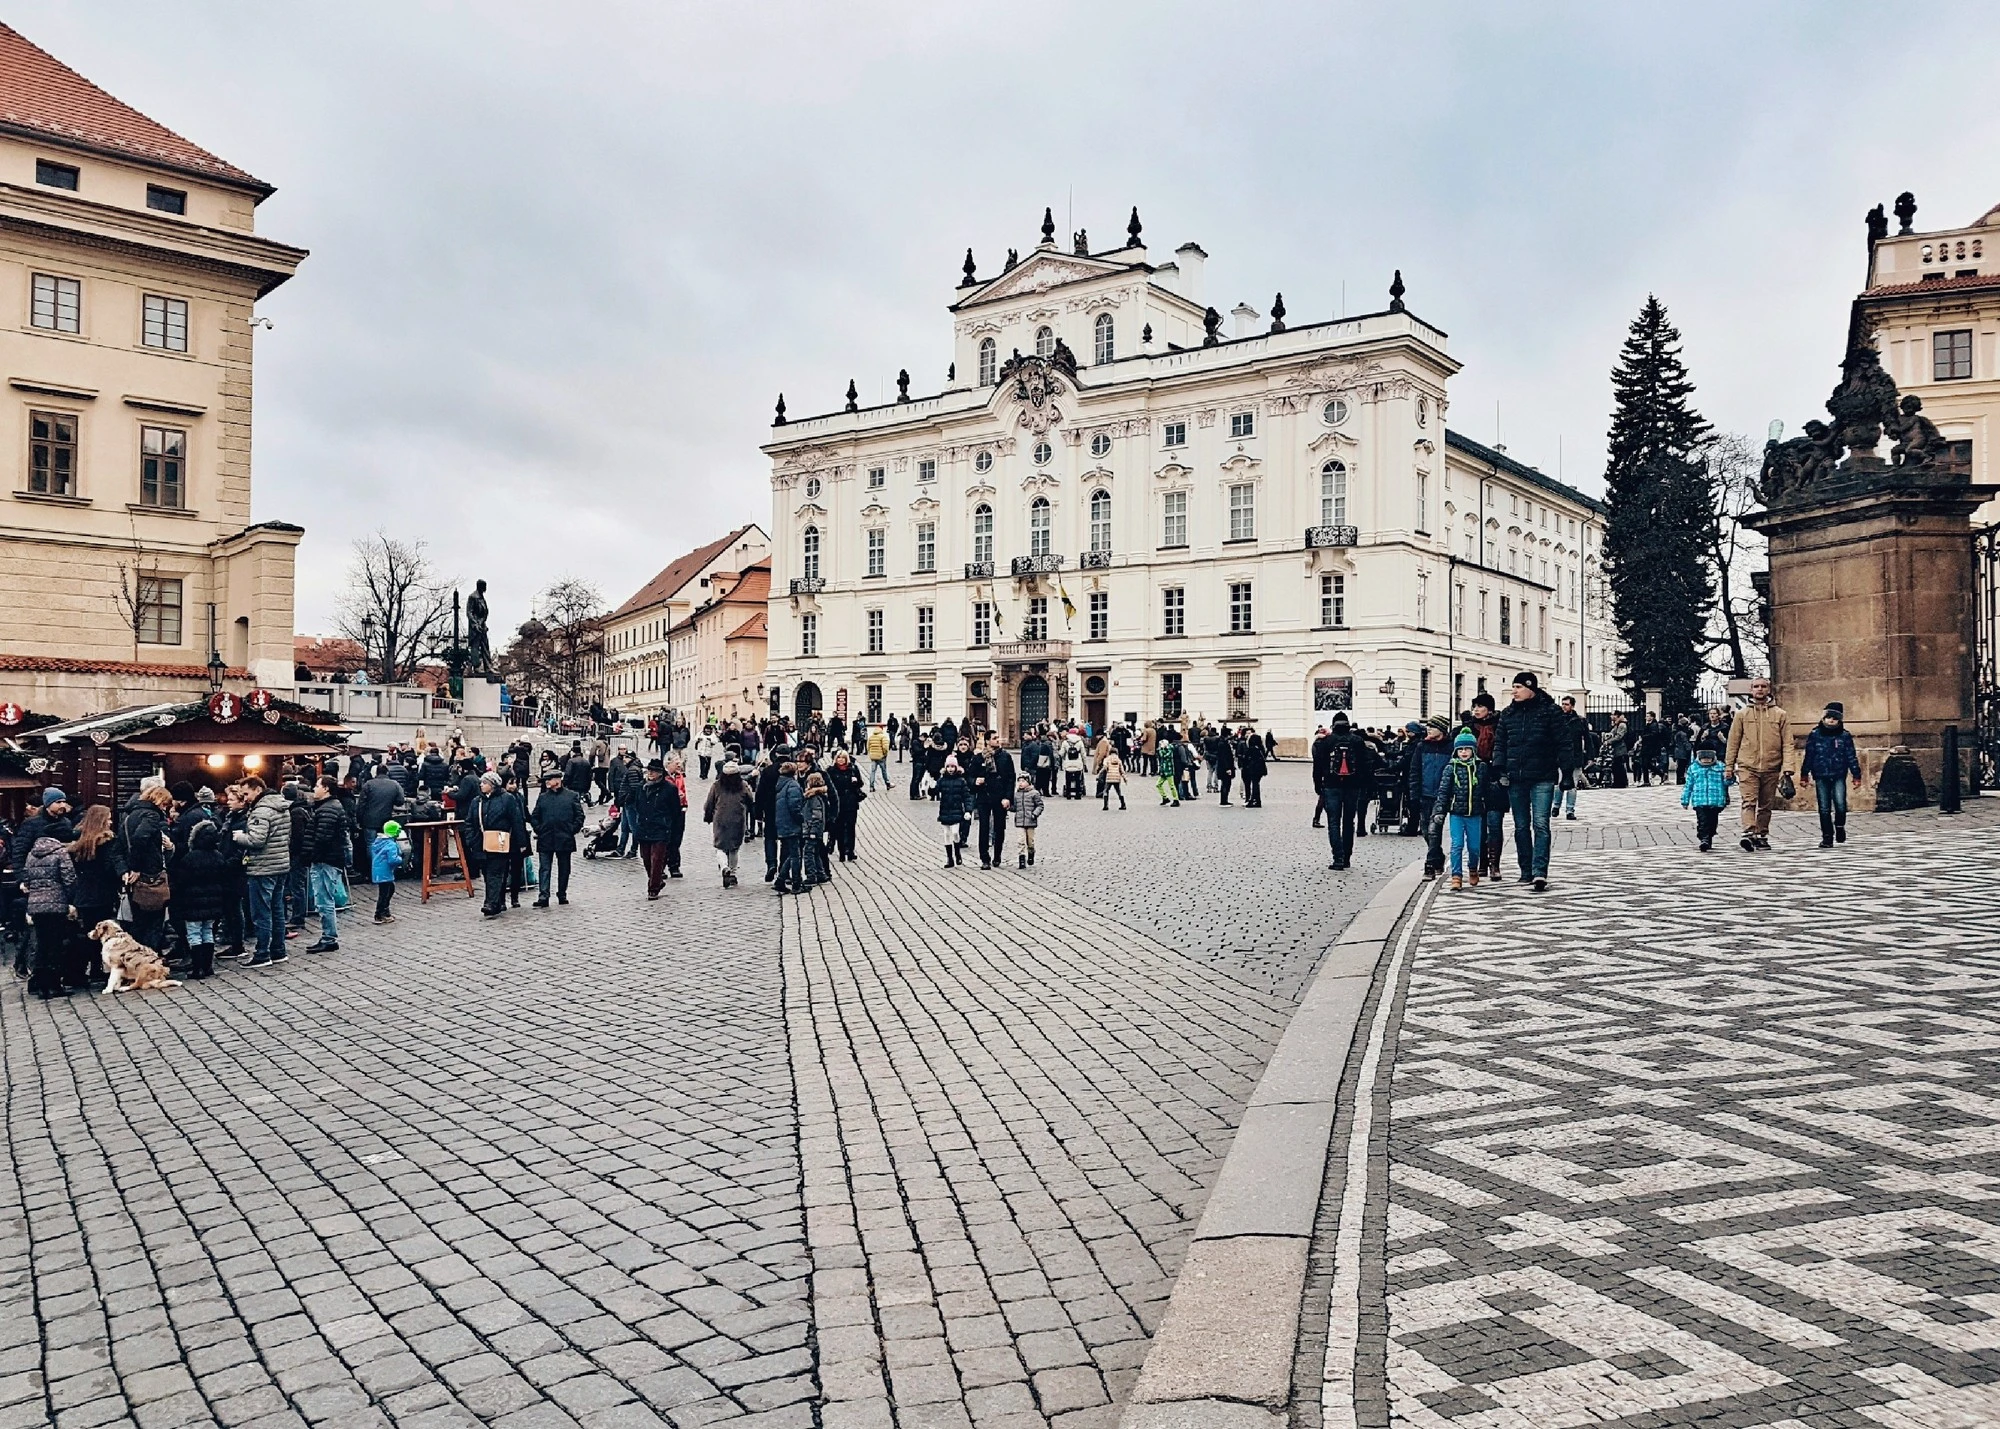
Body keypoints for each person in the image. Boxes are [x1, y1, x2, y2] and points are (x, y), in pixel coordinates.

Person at [1491, 671, 1576, 892]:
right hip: (1515, 778)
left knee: (1540, 824)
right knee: (1520, 826)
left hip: (1542, 776)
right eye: (1513, 687)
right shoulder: (1508, 714)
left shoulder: (1550, 712)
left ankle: (1540, 872)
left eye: (1518, 687)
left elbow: (1564, 743)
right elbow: (1500, 744)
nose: (1514, 691)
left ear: (1531, 688)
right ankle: (1525, 870)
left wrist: (1566, 773)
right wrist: (1499, 769)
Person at [1724, 677, 1790, 853]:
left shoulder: (1780, 714)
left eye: (1763, 686)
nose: (1760, 689)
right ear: (1751, 690)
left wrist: (1788, 768)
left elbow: (1787, 743)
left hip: (1771, 766)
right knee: (1749, 801)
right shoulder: (1742, 715)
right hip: (1748, 765)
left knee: (1765, 804)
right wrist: (1729, 766)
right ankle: (1748, 832)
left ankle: (1761, 835)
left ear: (1768, 689)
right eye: (1756, 687)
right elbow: (1733, 742)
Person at [233, 777, 293, 966]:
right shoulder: (282, 807)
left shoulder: (261, 811)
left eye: (246, 793)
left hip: (263, 867)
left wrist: (241, 837)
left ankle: (262, 953)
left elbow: (257, 840)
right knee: (277, 910)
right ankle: (278, 950)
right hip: (281, 864)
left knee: (262, 912)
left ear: (257, 789)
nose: (245, 798)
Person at [66, 806, 126, 989]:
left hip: (83, 894)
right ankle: (97, 969)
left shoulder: (79, 843)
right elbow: (110, 867)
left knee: (87, 934)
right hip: (102, 894)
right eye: (108, 818)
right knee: (102, 934)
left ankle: (79, 971)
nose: (110, 821)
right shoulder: (108, 841)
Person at [1313, 712, 1376, 871]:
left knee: (1333, 822)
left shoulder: (1326, 741)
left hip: (1331, 785)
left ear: (1333, 725)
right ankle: (1347, 857)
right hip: (1352, 786)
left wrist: (1318, 784)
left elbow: (1318, 765)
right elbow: (1365, 764)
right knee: (1349, 822)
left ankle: (1338, 858)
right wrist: (1363, 784)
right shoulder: (1357, 741)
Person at [21, 825, 77, 999]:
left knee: (42, 944)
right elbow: (69, 878)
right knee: (55, 945)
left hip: (36, 905)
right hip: (55, 904)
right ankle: (54, 985)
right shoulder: (60, 853)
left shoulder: (32, 853)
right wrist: (71, 899)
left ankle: (40, 984)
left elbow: (27, 879)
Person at [1800, 702, 1864, 848]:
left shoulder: (1844, 736)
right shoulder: (1815, 734)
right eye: (1828, 718)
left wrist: (1856, 775)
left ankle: (1840, 826)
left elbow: (1851, 756)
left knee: (1840, 804)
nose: (1831, 721)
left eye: (1834, 718)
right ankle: (1827, 837)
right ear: (1823, 718)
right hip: (1821, 774)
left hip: (1838, 774)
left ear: (1839, 720)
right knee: (1824, 808)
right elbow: (1809, 755)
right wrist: (1804, 774)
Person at [1436, 731, 1491, 891]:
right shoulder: (1450, 768)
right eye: (1460, 750)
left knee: (1474, 847)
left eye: (1467, 749)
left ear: (1473, 750)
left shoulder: (1481, 767)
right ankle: (1456, 876)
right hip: (1456, 813)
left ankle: (1473, 868)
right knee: (1457, 845)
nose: (1464, 753)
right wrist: (1440, 810)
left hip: (1475, 813)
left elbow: (1486, 789)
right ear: (1456, 751)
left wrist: (1489, 805)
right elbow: (1443, 791)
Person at [175, 821, 230, 978]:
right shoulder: (218, 856)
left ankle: (197, 968)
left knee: (194, 934)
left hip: (192, 902)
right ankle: (208, 966)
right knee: (207, 931)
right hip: (213, 901)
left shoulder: (189, 858)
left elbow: (181, 881)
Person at [123, 784, 173, 954]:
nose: (165, 808)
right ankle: (151, 960)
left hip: (134, 877)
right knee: (154, 922)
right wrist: (136, 867)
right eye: (165, 804)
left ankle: (138, 961)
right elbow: (140, 838)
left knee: (138, 922)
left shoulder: (130, 816)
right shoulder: (151, 816)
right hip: (150, 875)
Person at [304, 777, 351, 952]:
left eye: (317, 785)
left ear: (326, 789)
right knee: (324, 899)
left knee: (324, 900)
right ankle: (328, 936)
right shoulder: (329, 807)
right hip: (328, 859)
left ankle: (329, 937)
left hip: (326, 860)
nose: (314, 789)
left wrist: (312, 856)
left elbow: (323, 838)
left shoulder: (328, 809)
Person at [469, 771, 526, 917]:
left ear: (493, 785)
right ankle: (499, 901)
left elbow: (516, 820)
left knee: (495, 871)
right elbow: (469, 822)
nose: (481, 785)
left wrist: (521, 842)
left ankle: (490, 903)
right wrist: (471, 839)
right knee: (487, 873)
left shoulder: (507, 799)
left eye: (485, 783)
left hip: (500, 841)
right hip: (481, 842)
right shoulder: (477, 801)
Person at [629, 758, 686, 899]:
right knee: (646, 859)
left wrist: (670, 827)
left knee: (657, 859)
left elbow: (675, 811)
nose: (651, 773)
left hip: (661, 828)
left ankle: (653, 888)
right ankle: (657, 881)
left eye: (654, 771)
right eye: (649, 771)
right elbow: (636, 804)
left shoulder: (669, 789)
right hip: (644, 827)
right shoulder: (641, 787)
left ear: (660, 773)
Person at [529, 770, 585, 906]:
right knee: (545, 868)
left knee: (564, 868)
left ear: (558, 780)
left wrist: (571, 830)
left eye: (549, 779)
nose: (547, 782)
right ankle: (543, 896)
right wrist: (539, 829)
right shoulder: (543, 797)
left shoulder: (571, 796)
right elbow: (535, 816)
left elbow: (579, 816)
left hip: (564, 837)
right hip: (546, 837)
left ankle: (562, 893)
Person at [1407, 717, 1451, 879]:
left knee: (1434, 829)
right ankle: (1438, 856)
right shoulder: (1422, 746)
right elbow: (1415, 771)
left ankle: (1430, 865)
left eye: (1433, 727)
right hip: (1424, 794)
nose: (1429, 730)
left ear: (1442, 729)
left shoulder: (1450, 747)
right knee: (1426, 830)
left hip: (1442, 795)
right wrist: (1414, 794)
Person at [704, 763, 751, 887]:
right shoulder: (742, 785)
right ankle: (733, 873)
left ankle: (724, 867)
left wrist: (708, 816)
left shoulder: (717, 786)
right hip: (737, 818)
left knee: (720, 846)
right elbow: (750, 800)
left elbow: (710, 803)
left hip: (721, 819)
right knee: (734, 848)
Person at [973, 734, 1015, 870]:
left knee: (999, 828)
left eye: (998, 738)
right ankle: (984, 858)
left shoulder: (1005, 757)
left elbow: (1010, 778)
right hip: (984, 796)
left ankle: (997, 856)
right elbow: (970, 775)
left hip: (1000, 796)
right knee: (984, 827)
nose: (998, 740)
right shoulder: (979, 757)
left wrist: (1008, 797)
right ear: (987, 741)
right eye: (994, 738)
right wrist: (975, 781)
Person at [1681, 737, 1729, 852]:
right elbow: (1688, 785)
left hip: (1716, 800)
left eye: (1709, 757)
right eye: (1703, 757)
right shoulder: (1694, 768)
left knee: (1712, 821)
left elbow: (1726, 783)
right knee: (1702, 821)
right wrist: (1685, 800)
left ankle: (1709, 836)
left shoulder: (1720, 767)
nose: (1706, 760)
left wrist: (1730, 777)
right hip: (1699, 800)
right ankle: (1704, 838)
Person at [773, 761, 806, 893]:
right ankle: (796, 883)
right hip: (791, 824)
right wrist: (801, 820)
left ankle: (780, 880)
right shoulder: (793, 786)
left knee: (792, 854)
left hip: (782, 823)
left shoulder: (781, 784)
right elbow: (795, 807)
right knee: (795, 855)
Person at [1558, 696, 1592, 820]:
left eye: (1566, 704)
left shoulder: (1580, 721)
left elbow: (1587, 739)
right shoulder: (1558, 720)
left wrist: (1590, 756)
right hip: (1560, 756)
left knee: (1573, 785)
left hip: (1576, 755)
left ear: (1572, 706)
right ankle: (1556, 806)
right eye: (1562, 704)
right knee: (1559, 783)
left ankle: (1569, 810)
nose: (1564, 706)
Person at [828, 751, 866, 861]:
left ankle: (850, 851)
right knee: (839, 827)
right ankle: (841, 851)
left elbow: (860, 784)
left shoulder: (853, 769)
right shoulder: (831, 771)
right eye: (838, 758)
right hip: (838, 802)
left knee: (850, 827)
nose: (840, 760)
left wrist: (856, 781)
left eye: (843, 758)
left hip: (851, 803)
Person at [935, 757, 972, 866]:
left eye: (952, 767)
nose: (950, 769)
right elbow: (935, 791)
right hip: (945, 810)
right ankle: (949, 858)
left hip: (957, 810)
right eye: (948, 767)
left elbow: (966, 797)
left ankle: (957, 852)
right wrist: (932, 788)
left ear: (956, 768)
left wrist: (968, 810)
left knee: (955, 832)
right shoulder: (942, 780)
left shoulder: (961, 781)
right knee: (946, 834)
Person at [801, 773, 832, 886]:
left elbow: (816, 816)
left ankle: (811, 875)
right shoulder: (816, 797)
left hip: (812, 830)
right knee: (816, 853)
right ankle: (820, 874)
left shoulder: (813, 798)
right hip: (813, 829)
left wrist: (813, 830)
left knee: (808, 852)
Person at [371, 821, 404, 924]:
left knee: (387, 890)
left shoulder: (378, 842)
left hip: (379, 871)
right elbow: (392, 860)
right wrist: (400, 859)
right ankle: (380, 914)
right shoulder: (391, 844)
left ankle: (385, 912)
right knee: (385, 893)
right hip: (385, 872)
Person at [1011, 773, 1044, 869]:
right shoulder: (1017, 794)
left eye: (1023, 781)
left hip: (1030, 821)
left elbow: (1040, 805)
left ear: (1028, 782)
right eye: (1019, 781)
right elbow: (1015, 807)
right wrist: (1009, 807)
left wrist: (1035, 814)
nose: (1021, 783)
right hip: (1020, 821)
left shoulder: (1034, 793)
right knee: (1020, 840)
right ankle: (1021, 858)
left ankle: (1031, 853)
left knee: (1030, 841)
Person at [1238, 727, 1267, 808]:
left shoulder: (1252, 749)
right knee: (1255, 784)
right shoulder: (1258, 748)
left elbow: (1246, 758)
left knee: (1255, 785)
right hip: (1258, 769)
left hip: (1253, 769)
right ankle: (1254, 800)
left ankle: (1254, 800)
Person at [1098, 745, 1127, 810]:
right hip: (1117, 778)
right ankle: (1123, 804)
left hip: (1109, 777)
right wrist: (1125, 778)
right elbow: (1122, 770)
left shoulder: (1107, 759)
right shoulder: (1119, 760)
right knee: (1119, 791)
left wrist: (1099, 774)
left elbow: (1104, 767)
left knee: (1106, 791)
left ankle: (1106, 805)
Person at [865, 723, 893, 790]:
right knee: (884, 771)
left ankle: (871, 786)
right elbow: (885, 747)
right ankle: (887, 783)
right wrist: (885, 754)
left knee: (873, 771)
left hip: (873, 757)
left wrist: (870, 754)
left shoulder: (871, 737)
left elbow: (867, 747)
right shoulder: (883, 737)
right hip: (881, 757)